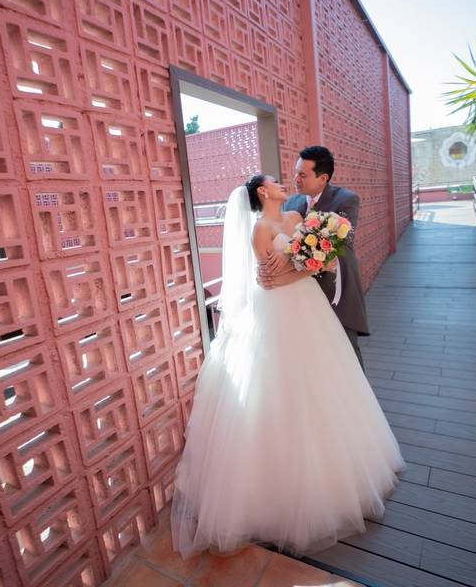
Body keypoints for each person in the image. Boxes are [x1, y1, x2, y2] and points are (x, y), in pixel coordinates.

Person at [171, 174, 404, 560]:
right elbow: (269, 279)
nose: (283, 183)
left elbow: (304, 267)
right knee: (282, 384)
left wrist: (312, 265)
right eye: (275, 181)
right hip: (277, 312)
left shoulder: (297, 219)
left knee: (326, 379)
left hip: (307, 304)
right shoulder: (260, 230)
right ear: (262, 192)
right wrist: (308, 267)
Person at [259, 146, 369, 369]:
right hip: (303, 297)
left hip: (335, 291)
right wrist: (266, 271)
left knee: (347, 355)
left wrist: (286, 255)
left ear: (323, 178)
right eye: (295, 172)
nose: (295, 179)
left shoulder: (346, 200)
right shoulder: (291, 205)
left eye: (303, 174)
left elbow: (338, 248)